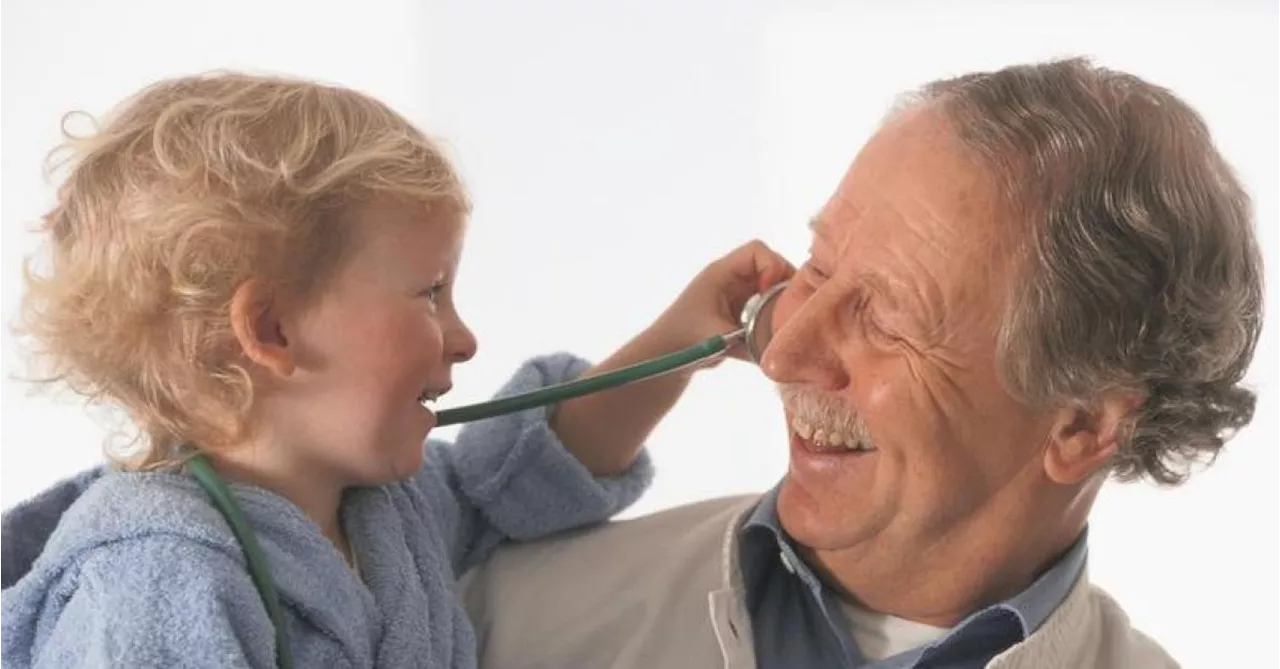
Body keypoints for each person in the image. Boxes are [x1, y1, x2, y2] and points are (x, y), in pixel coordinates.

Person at [459, 57, 1262, 668]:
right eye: (817, 266)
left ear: (1083, 425)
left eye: (886, 318)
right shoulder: (501, 618)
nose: (782, 352)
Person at [0, 72, 794, 668]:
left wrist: (685, 336)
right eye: (431, 293)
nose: (464, 338)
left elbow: (522, 477)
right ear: (274, 329)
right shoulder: (154, 578)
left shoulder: (382, 510)